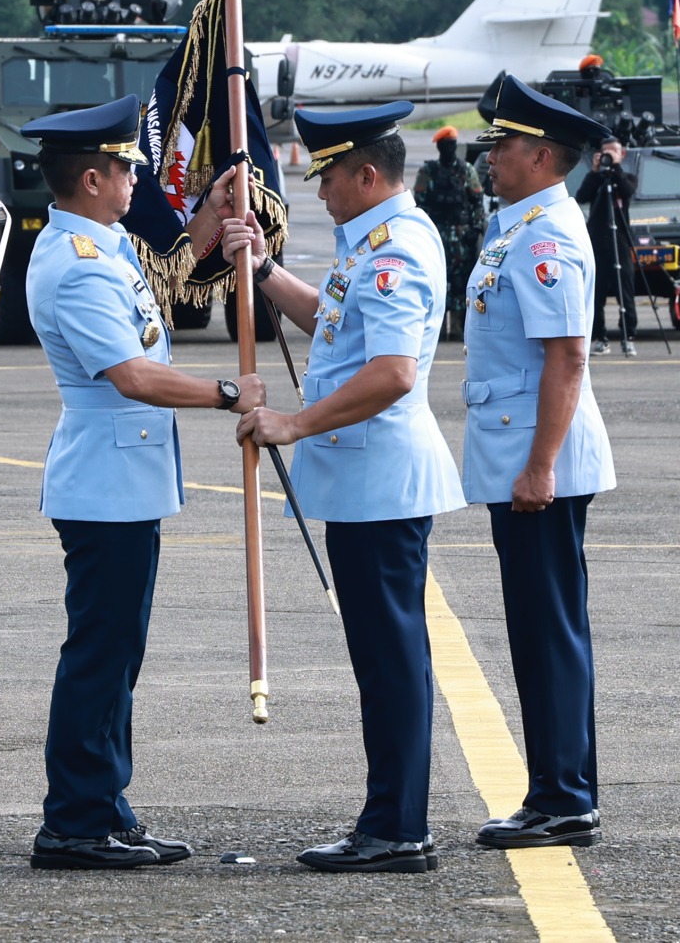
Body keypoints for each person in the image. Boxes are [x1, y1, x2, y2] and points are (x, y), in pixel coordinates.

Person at [220, 101, 465, 873]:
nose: (319, 191)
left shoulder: (397, 251)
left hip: (380, 483)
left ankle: (397, 827)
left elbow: (390, 373)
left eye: (327, 176)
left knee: (391, 661)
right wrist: (263, 270)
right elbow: (333, 321)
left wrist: (294, 424)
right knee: (384, 658)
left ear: (367, 173)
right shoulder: (377, 242)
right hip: (366, 482)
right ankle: (391, 818)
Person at [22, 95, 264, 871]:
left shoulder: (103, 244)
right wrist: (227, 392)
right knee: (100, 653)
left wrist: (214, 214)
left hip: (123, 481)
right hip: (105, 484)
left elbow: (164, 280)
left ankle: (105, 805)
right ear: (91, 178)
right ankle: (75, 820)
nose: (135, 177)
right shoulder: (76, 268)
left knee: (116, 652)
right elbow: (133, 375)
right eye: (125, 167)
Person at [462, 74, 617, 849]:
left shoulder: (548, 234)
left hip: (538, 467)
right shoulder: (517, 223)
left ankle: (563, 797)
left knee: (547, 631)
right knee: (539, 628)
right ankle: (560, 789)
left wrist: (540, 466)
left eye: (505, 146)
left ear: (544, 156)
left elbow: (567, 359)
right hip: (520, 458)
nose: (492, 157)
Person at [413, 125, 485, 338]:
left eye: (452, 145)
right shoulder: (428, 172)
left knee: (461, 281)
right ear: (440, 147)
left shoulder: (466, 170)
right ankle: (439, 327)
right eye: (446, 146)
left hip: (461, 237)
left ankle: (458, 328)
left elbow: (477, 202)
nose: (449, 149)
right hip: (436, 235)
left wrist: (476, 228)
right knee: (436, 280)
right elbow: (420, 203)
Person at [574, 139, 638, 356]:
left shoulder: (626, 177)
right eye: (606, 153)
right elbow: (581, 197)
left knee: (626, 291)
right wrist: (594, 172)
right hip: (597, 244)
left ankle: (628, 336)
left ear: (623, 154)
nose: (610, 156)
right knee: (596, 293)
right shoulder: (597, 179)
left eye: (614, 152)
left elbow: (628, 190)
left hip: (620, 243)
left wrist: (616, 168)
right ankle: (600, 337)